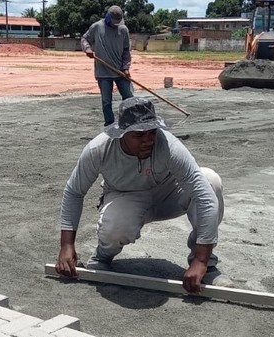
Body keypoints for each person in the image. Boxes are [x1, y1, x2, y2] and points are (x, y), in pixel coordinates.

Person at [55, 97, 233, 293]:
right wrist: (67, 245)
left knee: (211, 181)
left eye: (152, 133)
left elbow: (204, 196)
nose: (148, 140)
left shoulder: (168, 145)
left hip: (169, 194)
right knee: (115, 224)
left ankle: (206, 267)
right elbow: (74, 192)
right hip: (126, 196)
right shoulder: (99, 149)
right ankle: (103, 256)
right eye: (139, 136)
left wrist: (201, 259)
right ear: (122, 133)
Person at [81, 5, 134, 126]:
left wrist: (126, 67)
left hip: (120, 71)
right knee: (106, 102)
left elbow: (126, 51)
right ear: (107, 17)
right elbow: (84, 39)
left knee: (129, 98)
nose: (115, 25)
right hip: (103, 72)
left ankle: (130, 122)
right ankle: (109, 125)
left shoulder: (123, 30)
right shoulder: (96, 27)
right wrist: (87, 49)